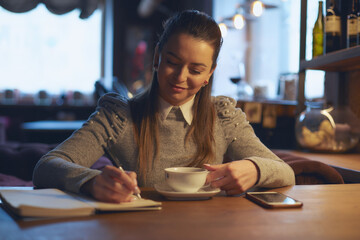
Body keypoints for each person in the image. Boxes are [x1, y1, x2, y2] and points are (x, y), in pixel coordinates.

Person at [33, 10, 295, 203]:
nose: (180, 77)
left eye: (195, 69)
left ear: (209, 74)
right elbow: (46, 167)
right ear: (157, 57)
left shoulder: (223, 117)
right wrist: (90, 182)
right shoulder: (119, 116)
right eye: (172, 62)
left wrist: (255, 168)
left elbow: (285, 173)